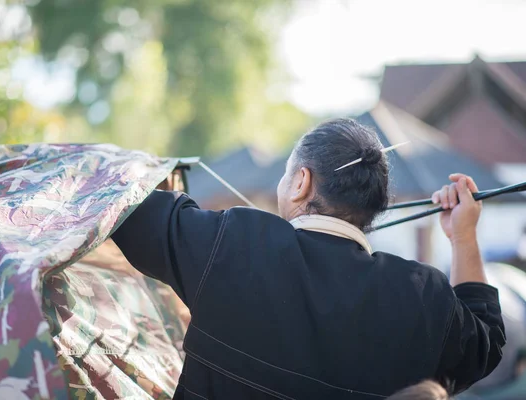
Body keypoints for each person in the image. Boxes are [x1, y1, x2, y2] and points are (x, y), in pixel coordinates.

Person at [111, 119, 505, 399]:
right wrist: (462, 238)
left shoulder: (234, 241)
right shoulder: (423, 297)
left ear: (301, 182)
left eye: (286, 176)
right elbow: (485, 348)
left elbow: (117, 206)